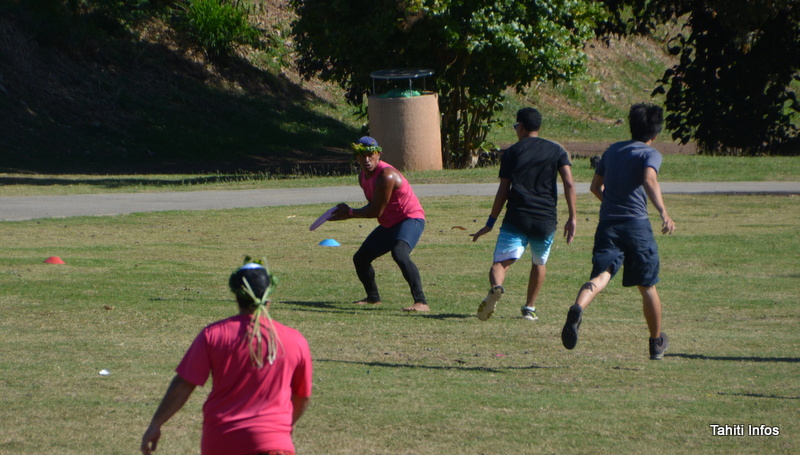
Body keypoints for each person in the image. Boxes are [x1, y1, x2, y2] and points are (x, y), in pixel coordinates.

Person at [141, 259, 313, 455]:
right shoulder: (295, 340)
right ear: (269, 296)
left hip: (223, 440)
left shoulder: (213, 335)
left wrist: (155, 424)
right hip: (274, 443)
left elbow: (184, 384)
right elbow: (302, 396)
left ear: (236, 295)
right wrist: (278, 431)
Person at [561, 102, 676, 360]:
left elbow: (594, 187)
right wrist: (663, 212)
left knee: (601, 276)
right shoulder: (650, 153)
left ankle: (578, 308)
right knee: (647, 286)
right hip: (636, 226)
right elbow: (649, 179)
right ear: (655, 133)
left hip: (608, 225)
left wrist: (612, 203)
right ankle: (656, 343)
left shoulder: (612, 151)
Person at [471, 107, 577, 321]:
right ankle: (529, 308)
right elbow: (569, 182)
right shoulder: (557, 150)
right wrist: (572, 217)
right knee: (539, 262)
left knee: (500, 263)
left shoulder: (512, 152)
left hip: (517, 216)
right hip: (546, 218)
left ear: (520, 126)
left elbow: (503, 190)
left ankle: (497, 287)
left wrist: (490, 222)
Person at [330, 136, 430, 312]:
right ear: (357, 158)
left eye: (371, 155)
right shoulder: (363, 177)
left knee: (399, 253)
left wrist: (350, 213)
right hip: (389, 224)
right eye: (362, 156)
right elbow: (374, 206)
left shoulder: (386, 175)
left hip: (410, 219)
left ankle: (421, 302)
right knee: (360, 258)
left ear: (379, 155)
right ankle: (373, 298)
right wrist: (350, 212)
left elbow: (375, 211)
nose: (367, 160)